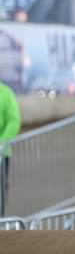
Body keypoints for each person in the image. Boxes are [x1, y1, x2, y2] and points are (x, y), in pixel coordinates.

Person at [0, 81, 20, 215]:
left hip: (2, 153)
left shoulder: (5, 93)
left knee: (0, 189)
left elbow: (14, 120)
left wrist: (2, 142)